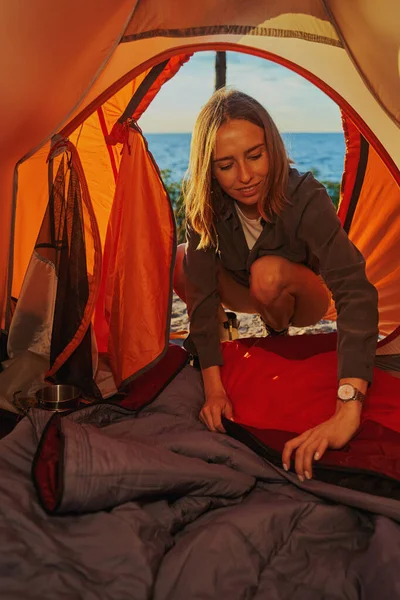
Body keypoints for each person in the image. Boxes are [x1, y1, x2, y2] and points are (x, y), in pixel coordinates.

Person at [173, 88, 379, 482]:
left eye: (255, 155)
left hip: (299, 295)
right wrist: (214, 389)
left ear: (273, 147)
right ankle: (226, 330)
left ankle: (277, 328)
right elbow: (199, 295)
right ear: (209, 169)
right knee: (183, 261)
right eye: (226, 165)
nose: (245, 176)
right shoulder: (206, 204)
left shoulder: (305, 195)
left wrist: (348, 405)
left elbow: (355, 289)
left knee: (266, 273)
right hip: (240, 290)